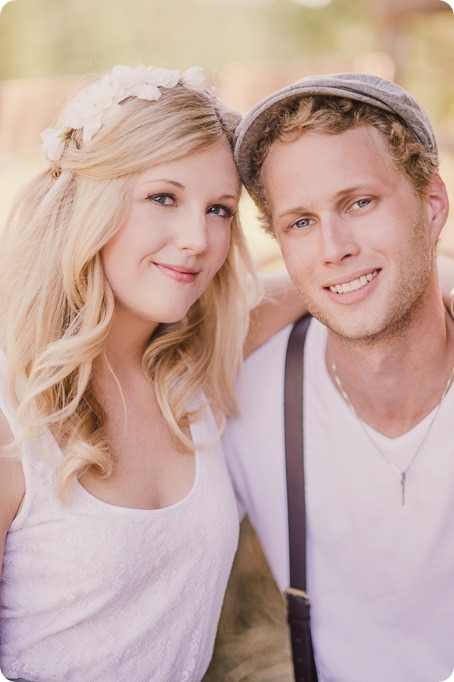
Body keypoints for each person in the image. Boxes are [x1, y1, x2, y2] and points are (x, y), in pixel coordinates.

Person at [0, 64, 305, 682]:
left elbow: (326, 282)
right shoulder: (14, 410)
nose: (197, 239)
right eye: (163, 197)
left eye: (220, 209)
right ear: (90, 201)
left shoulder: (195, 366)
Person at [224, 73, 454, 681]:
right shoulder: (243, 401)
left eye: (359, 203)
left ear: (432, 206)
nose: (334, 248)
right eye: (301, 221)